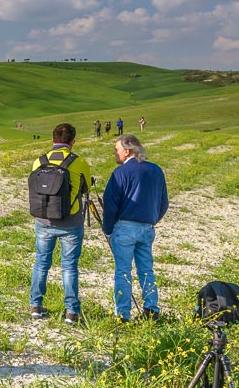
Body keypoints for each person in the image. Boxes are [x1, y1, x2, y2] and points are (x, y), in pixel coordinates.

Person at [29, 123, 91, 325]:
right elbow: (87, 186)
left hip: (43, 220)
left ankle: (35, 306)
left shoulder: (39, 162)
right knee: (69, 266)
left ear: (52, 140)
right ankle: (71, 312)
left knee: (41, 262)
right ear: (72, 141)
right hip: (70, 221)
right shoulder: (78, 162)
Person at [102, 134, 169, 323]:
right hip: (147, 226)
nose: (115, 153)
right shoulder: (155, 170)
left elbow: (110, 204)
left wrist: (108, 228)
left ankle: (123, 314)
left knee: (123, 271)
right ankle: (151, 308)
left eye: (117, 149)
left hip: (124, 226)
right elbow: (164, 202)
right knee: (146, 269)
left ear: (127, 151)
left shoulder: (120, 173)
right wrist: (153, 219)